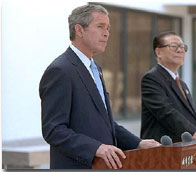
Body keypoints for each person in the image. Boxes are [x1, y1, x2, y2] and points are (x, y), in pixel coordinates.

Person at [39, 4, 160, 169]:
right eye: (100, 27)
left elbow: (106, 123)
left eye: (108, 28)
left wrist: (137, 143)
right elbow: (54, 130)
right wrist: (96, 148)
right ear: (79, 30)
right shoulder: (60, 70)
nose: (106, 33)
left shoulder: (96, 69)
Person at [140, 31, 196, 143]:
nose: (180, 50)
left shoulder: (182, 84)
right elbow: (166, 112)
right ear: (158, 52)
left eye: (183, 47)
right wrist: (194, 132)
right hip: (162, 149)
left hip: (185, 150)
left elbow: (194, 116)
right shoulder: (152, 79)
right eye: (174, 46)